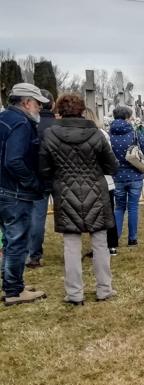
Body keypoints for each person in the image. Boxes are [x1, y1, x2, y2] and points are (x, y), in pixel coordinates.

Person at [39, 93, 118, 305]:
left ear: (59, 111)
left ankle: (74, 293)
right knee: (100, 243)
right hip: (95, 191)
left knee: (71, 245)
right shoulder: (97, 134)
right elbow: (112, 166)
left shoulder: (50, 135)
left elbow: (44, 168)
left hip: (65, 192)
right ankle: (104, 289)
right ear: (82, 110)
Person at [0, 83, 48, 306]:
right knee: (17, 241)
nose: (40, 108)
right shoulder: (21, 123)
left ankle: (11, 283)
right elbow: (13, 160)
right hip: (15, 192)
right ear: (27, 102)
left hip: (4, 188)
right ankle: (13, 290)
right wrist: (32, 182)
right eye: (38, 103)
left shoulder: (4, 119)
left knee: (9, 242)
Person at [109, 106, 144, 246]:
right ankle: (132, 239)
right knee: (133, 207)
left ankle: (115, 237)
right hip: (135, 175)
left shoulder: (108, 135)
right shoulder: (134, 134)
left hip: (117, 176)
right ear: (128, 117)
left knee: (119, 207)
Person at [26, 89, 55, 268]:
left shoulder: (30, 125)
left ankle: (34, 255)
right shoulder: (57, 125)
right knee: (68, 214)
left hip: (37, 176)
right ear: (51, 104)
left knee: (37, 217)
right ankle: (71, 249)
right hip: (58, 176)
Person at [84, 107, 119, 256]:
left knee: (102, 214)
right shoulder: (102, 134)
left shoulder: (99, 134)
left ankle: (108, 245)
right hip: (104, 180)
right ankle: (109, 245)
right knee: (107, 213)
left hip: (100, 179)